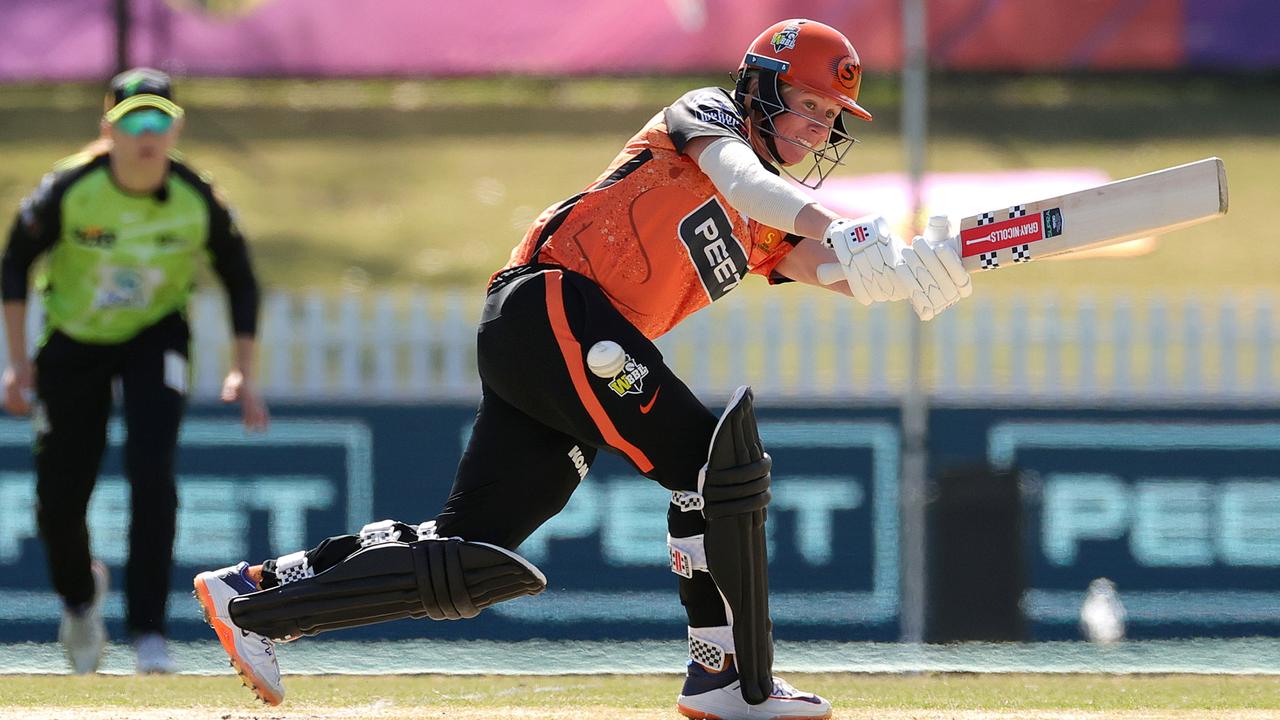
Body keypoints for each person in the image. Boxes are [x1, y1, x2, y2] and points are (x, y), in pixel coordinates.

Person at [192, 19, 970, 719]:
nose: (819, 127)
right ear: (761, 91)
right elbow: (745, 182)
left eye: (831, 118)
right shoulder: (708, 116)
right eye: (808, 105)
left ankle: (256, 597)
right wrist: (850, 231)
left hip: (559, 341)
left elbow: (830, 267)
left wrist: (908, 270)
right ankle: (730, 680)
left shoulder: (768, 221)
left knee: (467, 556)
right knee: (714, 467)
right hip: (553, 307)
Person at [1, 67, 268, 675]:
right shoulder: (69, 189)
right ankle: (78, 599)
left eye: (159, 120)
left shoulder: (196, 197)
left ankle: (149, 633)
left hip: (156, 337)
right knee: (60, 498)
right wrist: (18, 366)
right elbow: (14, 264)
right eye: (132, 121)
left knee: (153, 474)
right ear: (108, 129)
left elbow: (240, 278)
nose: (146, 134)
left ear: (176, 129)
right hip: (74, 339)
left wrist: (242, 371)